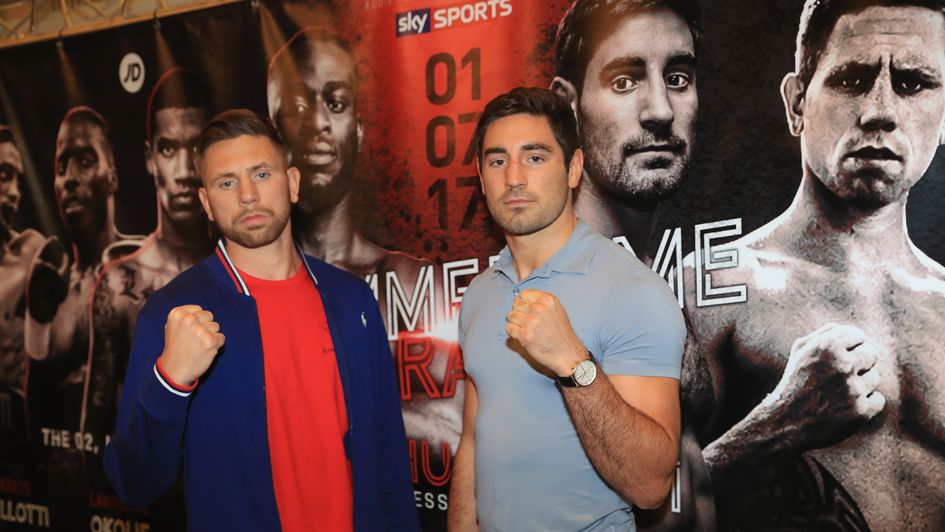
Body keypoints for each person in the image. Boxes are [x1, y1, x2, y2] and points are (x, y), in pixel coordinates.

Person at [681, 1, 945, 530]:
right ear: (797, 102)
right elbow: (629, 510)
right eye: (851, 79)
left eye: (913, 83)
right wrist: (776, 423)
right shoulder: (711, 285)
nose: (880, 111)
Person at [103, 109, 418, 531]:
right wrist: (170, 381)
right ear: (206, 203)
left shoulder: (352, 300)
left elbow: (388, 457)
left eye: (262, 175)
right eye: (226, 183)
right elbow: (133, 483)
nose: (247, 195)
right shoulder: (173, 312)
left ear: (292, 183)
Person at [448, 87, 685, 531]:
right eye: (497, 161)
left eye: (535, 157)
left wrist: (574, 365)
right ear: (480, 177)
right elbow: (472, 443)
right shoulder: (480, 293)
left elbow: (650, 485)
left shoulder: (632, 290)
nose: (514, 177)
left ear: (574, 168)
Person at [267, 27, 460, 463]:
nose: (318, 123)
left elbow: (453, 434)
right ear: (273, 134)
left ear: (357, 129)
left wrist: (328, 408)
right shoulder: (246, 291)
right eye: (297, 107)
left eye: (335, 103)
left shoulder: (409, 282)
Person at [83, 68, 216, 439]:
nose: (185, 171)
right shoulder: (119, 284)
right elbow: (97, 423)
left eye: (197, 148)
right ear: (149, 158)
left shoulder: (243, 274)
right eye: (169, 149)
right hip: (150, 473)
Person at [552, 0, 700, 264]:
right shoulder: (540, 279)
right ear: (566, 105)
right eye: (623, 83)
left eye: (676, 79)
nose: (661, 112)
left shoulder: (680, 281)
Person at [25, 107, 131, 431]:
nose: (70, 177)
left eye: (85, 161)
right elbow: (36, 422)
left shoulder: (142, 271)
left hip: (131, 461)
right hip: (64, 461)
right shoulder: (54, 292)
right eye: (61, 167)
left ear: (112, 177)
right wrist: (36, 323)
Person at [0, 126, 44, 464]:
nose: (14, 191)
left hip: (17, 428)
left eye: (18, 180)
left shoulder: (32, 252)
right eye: (4, 176)